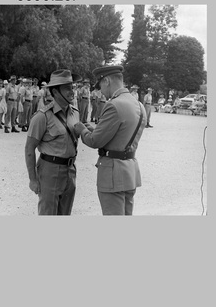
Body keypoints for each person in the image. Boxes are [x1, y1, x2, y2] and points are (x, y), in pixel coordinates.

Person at [74, 65, 147, 216]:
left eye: (100, 85)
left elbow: (94, 141)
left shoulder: (113, 105)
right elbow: (121, 137)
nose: (100, 90)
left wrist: (82, 130)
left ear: (106, 81)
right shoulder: (139, 105)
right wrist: (94, 129)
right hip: (130, 171)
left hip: (113, 174)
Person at [25, 69, 81, 215]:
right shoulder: (42, 117)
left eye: (72, 87)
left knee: (65, 214)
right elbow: (29, 149)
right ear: (55, 92)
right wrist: (33, 179)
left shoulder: (75, 113)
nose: (72, 91)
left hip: (70, 170)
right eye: (67, 88)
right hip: (50, 170)